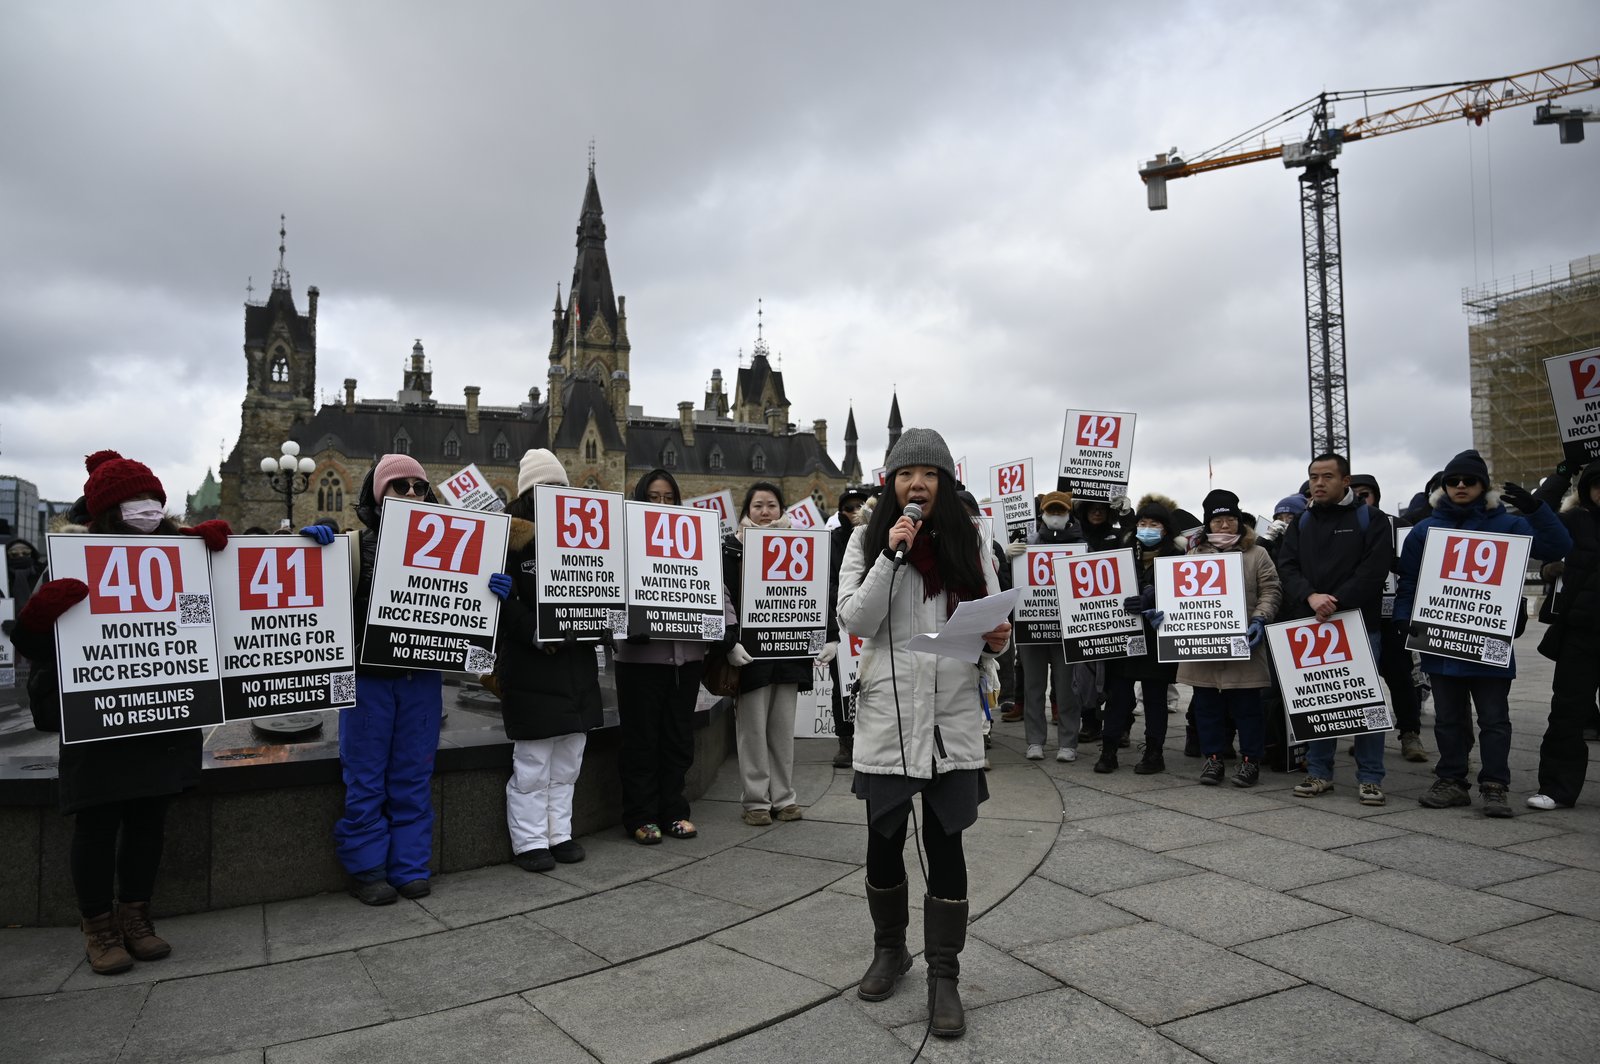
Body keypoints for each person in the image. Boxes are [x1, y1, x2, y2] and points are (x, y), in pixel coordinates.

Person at [7, 450, 229, 973]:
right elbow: (35, 648)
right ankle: (98, 927)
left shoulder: (181, 553)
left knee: (149, 819)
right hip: (99, 714)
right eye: (136, 501)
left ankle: (136, 917)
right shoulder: (73, 558)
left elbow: (212, 619)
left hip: (162, 713)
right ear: (108, 510)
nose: (148, 508)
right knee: (98, 823)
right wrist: (38, 619)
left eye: (154, 499)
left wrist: (226, 556)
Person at [839, 427, 1008, 1040]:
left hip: (952, 715)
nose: (918, 485)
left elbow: (989, 613)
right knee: (883, 843)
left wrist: (998, 637)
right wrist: (891, 554)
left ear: (945, 482)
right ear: (891, 483)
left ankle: (945, 974)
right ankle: (891, 950)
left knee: (946, 846)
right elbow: (856, 619)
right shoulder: (866, 539)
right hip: (889, 715)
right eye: (907, 474)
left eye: (929, 475)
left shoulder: (971, 539)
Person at [1397, 450, 1571, 817]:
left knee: (1494, 718)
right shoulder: (1427, 530)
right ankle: (1452, 780)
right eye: (1453, 481)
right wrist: (1403, 619)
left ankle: (1495, 784)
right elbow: (1409, 581)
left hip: (1488, 636)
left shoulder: (1509, 525)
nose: (1461, 486)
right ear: (1443, 487)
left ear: (1483, 486)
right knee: (1447, 719)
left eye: (1470, 480)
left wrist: (1538, 510)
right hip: (1440, 637)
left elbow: (1559, 547)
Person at [337, 455, 475, 904]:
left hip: (422, 679)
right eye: (401, 487)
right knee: (366, 777)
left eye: (420, 487)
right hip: (368, 680)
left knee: (414, 775)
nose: (413, 494)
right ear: (379, 496)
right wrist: (313, 553)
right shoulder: (354, 547)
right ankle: (368, 868)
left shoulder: (448, 548)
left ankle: (410, 866)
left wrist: (489, 589)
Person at [494, 449, 603, 871]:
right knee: (534, 763)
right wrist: (531, 629)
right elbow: (503, 607)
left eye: (560, 487)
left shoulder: (585, 537)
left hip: (576, 669)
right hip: (531, 669)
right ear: (528, 494)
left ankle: (560, 832)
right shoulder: (511, 540)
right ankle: (529, 841)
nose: (554, 495)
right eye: (545, 488)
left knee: (569, 759)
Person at [613, 468, 733, 844]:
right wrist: (623, 623)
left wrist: (728, 625)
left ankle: (674, 811)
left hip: (687, 659)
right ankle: (641, 815)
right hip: (640, 660)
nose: (662, 504)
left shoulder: (696, 540)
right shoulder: (625, 539)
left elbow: (715, 584)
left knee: (678, 740)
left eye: (668, 497)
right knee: (641, 739)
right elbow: (606, 584)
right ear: (640, 499)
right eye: (654, 497)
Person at [1277, 453, 1393, 805]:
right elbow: (1287, 565)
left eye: (1327, 476)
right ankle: (1319, 772)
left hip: (1359, 623)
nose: (1319, 483)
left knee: (1363, 700)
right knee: (1320, 700)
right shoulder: (1302, 522)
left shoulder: (1370, 519)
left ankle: (1371, 777)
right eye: (1313, 476)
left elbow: (1374, 571)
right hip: (1314, 623)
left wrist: (1336, 600)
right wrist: (1310, 596)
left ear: (1345, 481)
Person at [723, 481, 820, 826]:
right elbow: (725, 599)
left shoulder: (802, 545)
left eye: (772, 506)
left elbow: (816, 595)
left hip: (789, 652)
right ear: (747, 511)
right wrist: (728, 642)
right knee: (751, 731)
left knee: (781, 730)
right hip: (750, 654)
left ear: (782, 510)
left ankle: (784, 798)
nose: (765, 513)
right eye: (758, 506)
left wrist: (826, 638)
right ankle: (756, 801)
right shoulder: (732, 549)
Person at [1177, 491, 1281, 787]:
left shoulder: (1257, 553)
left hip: (1244, 642)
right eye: (1218, 520)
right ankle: (1213, 759)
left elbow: (1271, 590)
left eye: (1230, 520)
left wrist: (1261, 617)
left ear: (1239, 522)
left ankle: (1251, 761)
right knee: (1206, 705)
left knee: (1248, 706)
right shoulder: (1193, 555)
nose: (1225, 526)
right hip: (1204, 643)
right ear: (1208, 523)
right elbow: (1179, 595)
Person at [1529, 458, 1599, 810]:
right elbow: (1536, 522)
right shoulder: (1574, 521)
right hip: (1580, 634)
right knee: (1567, 713)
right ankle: (1557, 788)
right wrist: (1560, 476)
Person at [1100, 497, 1185, 774]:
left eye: (1154, 524)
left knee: (1155, 698)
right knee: (1118, 698)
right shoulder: (1123, 550)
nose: (1147, 528)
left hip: (1157, 638)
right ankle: (1109, 750)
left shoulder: (1176, 556)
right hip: (1124, 636)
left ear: (1165, 529)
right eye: (1143, 523)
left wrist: (1153, 596)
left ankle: (1154, 753)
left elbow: (1182, 593)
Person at [1350, 473, 1429, 763]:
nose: (1361, 499)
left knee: (1401, 678)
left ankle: (1410, 733)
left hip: (1393, 615)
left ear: (1376, 497)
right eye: (1355, 494)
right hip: (1358, 615)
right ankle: (1364, 735)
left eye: (1366, 494)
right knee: (1360, 680)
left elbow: (1416, 569)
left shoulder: (1400, 526)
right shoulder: (1344, 526)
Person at [1003, 490, 1083, 761]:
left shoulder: (1082, 544)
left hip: (1066, 630)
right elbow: (1006, 583)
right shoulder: (1027, 544)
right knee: (1033, 687)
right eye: (1052, 511)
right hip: (1032, 626)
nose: (1056, 516)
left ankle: (1068, 742)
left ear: (1069, 514)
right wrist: (1007, 559)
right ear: (1042, 514)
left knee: (1067, 689)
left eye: (1061, 511)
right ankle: (1034, 741)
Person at [827, 487, 871, 768]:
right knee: (842, 685)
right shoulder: (834, 540)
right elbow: (828, 579)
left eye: (860, 506)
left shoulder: (880, 533)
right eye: (848, 507)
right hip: (843, 619)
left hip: (875, 618)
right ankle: (846, 741)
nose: (854, 512)